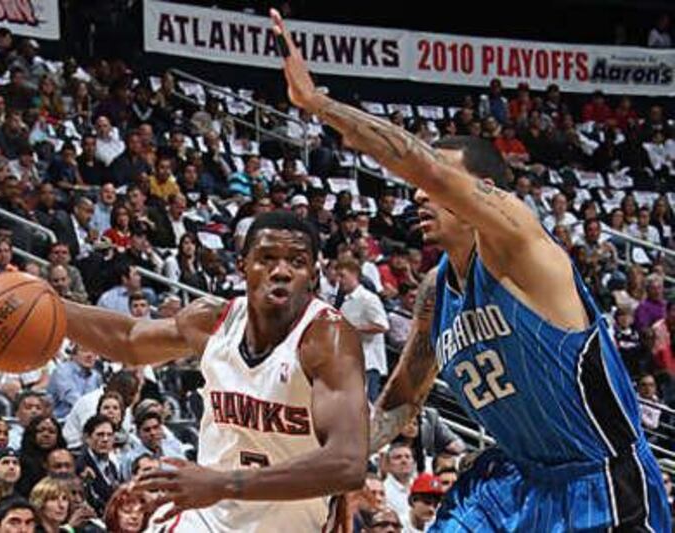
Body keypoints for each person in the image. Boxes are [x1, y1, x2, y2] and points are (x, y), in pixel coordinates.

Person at [271, 10, 669, 530]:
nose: (418, 195)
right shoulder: (436, 292)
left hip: (599, 479)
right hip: (512, 482)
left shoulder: (520, 244)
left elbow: (424, 166)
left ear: (483, 194)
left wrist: (319, 105)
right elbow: (403, 396)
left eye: (437, 188)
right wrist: (339, 466)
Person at [63, 209, 367, 530]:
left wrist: (222, 484)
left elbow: (347, 463)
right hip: (206, 518)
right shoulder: (212, 321)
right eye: (266, 258)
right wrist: (51, 308)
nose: (281, 271)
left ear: (314, 275)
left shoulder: (327, 338)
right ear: (242, 266)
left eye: (297, 262)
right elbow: (129, 339)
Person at [337, 257, 390, 403]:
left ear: (354, 275)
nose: (339, 280)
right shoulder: (345, 302)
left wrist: (353, 329)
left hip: (368, 363)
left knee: (365, 409)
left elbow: (382, 325)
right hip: (351, 362)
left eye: (342, 276)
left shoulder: (369, 298)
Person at [76, 415, 119, 515]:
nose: (105, 439)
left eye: (109, 435)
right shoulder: (80, 466)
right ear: (87, 438)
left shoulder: (112, 466)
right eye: (100, 435)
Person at [46, 344, 102, 419]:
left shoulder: (96, 376)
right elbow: (73, 398)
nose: (90, 355)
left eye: (94, 352)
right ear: (73, 355)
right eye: (84, 350)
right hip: (61, 422)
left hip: (87, 419)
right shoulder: (62, 370)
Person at [16, 416, 66, 498]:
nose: (46, 435)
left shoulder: (65, 458)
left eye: (51, 432)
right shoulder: (20, 460)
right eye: (41, 431)